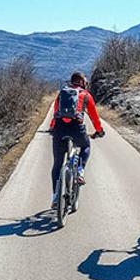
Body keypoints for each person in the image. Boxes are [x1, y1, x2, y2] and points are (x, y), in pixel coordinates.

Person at [48, 71, 104, 210]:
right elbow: (94, 116)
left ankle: (56, 197)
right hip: (76, 128)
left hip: (60, 129)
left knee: (57, 164)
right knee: (85, 146)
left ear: (71, 81)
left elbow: (56, 113)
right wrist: (99, 131)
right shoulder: (86, 95)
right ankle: (80, 171)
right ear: (83, 83)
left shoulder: (62, 93)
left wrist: (52, 129)